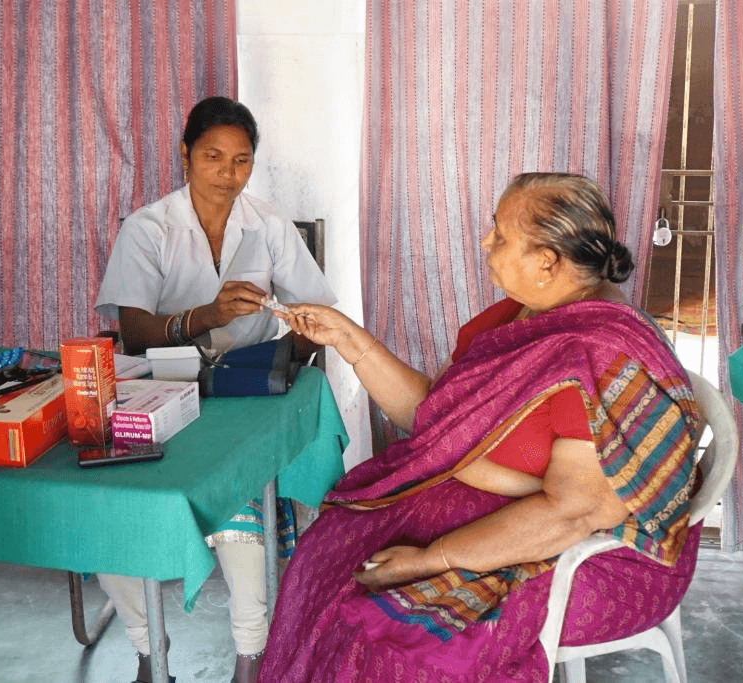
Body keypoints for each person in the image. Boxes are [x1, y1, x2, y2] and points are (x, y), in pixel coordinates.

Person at [259, 172, 701, 682]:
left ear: (546, 262)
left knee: (388, 638)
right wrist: (349, 341)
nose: (486, 241)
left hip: (594, 557)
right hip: (509, 512)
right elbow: (438, 419)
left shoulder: (594, 358)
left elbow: (575, 514)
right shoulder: (519, 317)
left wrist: (430, 560)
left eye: (501, 233)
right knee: (323, 563)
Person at [94, 96, 335, 683]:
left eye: (241, 161)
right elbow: (132, 329)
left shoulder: (269, 224)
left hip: (241, 389)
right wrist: (204, 316)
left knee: (239, 505)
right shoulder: (149, 228)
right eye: (213, 157)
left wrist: (288, 352)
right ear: (185, 156)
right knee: (114, 512)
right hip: (158, 386)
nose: (228, 173)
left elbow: (317, 310)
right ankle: (150, 651)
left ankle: (250, 657)